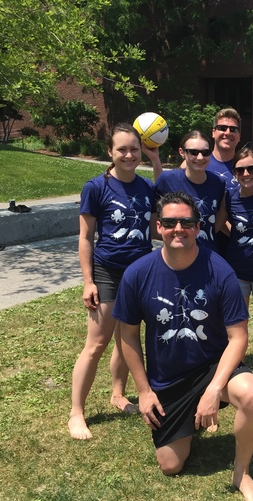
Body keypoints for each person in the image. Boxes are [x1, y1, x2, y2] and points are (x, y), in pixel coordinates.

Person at [113, 191, 253, 501]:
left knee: (252, 394)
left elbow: (238, 337)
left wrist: (214, 389)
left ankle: (242, 473)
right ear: (158, 227)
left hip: (212, 365)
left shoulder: (220, 270)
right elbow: (127, 336)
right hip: (168, 380)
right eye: (170, 222)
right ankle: (192, 423)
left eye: (187, 222)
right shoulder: (137, 274)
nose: (178, 228)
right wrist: (142, 391)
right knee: (170, 466)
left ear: (198, 227)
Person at [68, 123, 156, 440]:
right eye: (122, 149)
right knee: (96, 344)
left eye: (134, 149)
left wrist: (157, 160)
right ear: (110, 152)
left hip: (140, 273)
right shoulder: (96, 187)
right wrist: (88, 280)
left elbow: (158, 224)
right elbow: (85, 237)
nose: (129, 155)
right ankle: (76, 414)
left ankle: (118, 395)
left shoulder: (146, 188)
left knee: (127, 337)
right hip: (107, 272)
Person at [215, 149, 253, 387]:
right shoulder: (230, 196)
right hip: (237, 270)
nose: (246, 173)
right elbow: (219, 224)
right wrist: (239, 235)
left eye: (252, 168)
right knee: (236, 324)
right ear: (235, 174)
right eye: (240, 170)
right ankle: (236, 368)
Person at [151, 131, 225, 252]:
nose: (200, 157)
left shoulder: (218, 183)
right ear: (182, 152)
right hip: (177, 256)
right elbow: (153, 211)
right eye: (193, 152)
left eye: (205, 152)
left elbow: (221, 214)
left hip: (207, 255)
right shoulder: (167, 180)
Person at [207, 108, 242, 191]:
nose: (227, 133)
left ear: (239, 136)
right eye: (222, 128)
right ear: (213, 132)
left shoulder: (246, 169)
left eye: (233, 129)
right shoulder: (199, 162)